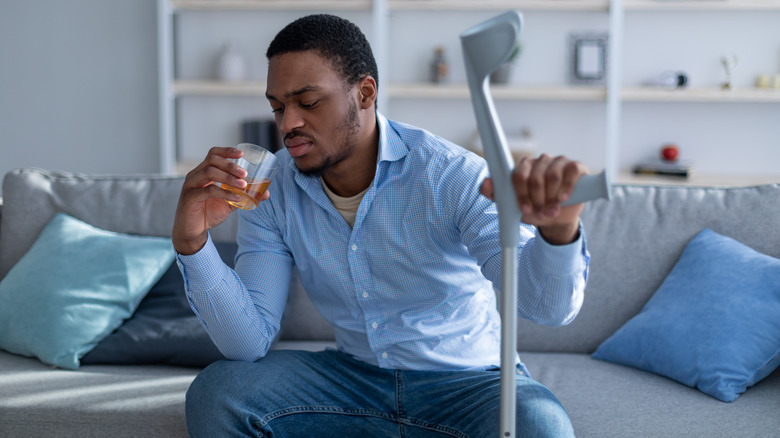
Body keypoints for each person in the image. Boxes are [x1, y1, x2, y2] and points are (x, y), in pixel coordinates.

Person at [173, 13, 589, 438]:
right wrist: (192, 242)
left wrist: (558, 234)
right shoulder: (271, 189)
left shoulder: (452, 174)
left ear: (365, 92)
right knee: (219, 391)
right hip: (353, 383)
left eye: (308, 102)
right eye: (278, 107)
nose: (287, 124)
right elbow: (247, 344)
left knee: (540, 424)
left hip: (469, 384)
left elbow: (548, 309)